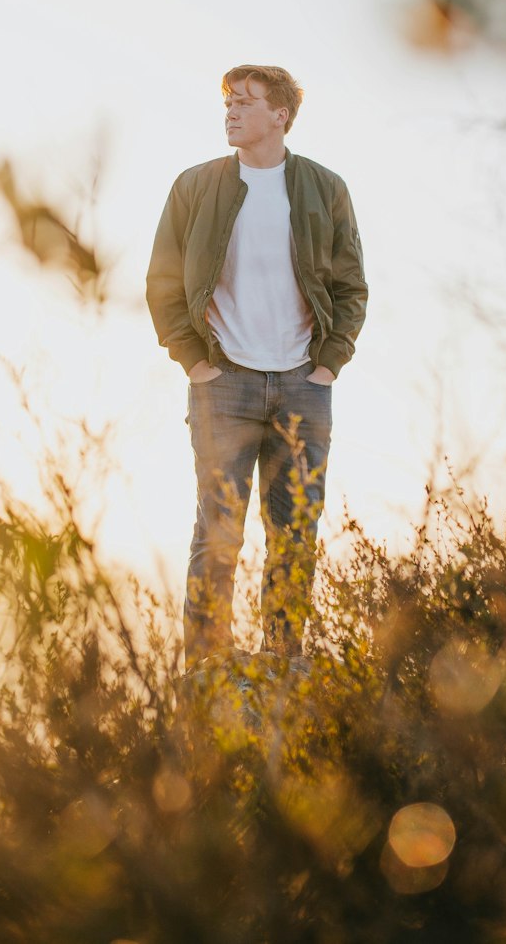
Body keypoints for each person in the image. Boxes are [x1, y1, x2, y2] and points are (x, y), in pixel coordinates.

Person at [146, 64, 367, 667]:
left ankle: (283, 659)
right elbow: (163, 281)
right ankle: (207, 665)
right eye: (228, 103)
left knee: (295, 536)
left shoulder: (325, 188)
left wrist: (327, 366)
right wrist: (194, 363)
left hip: (304, 383)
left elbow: (351, 286)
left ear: (281, 116)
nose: (232, 112)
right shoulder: (195, 187)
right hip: (223, 383)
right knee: (217, 534)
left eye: (246, 102)